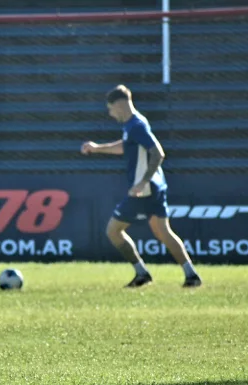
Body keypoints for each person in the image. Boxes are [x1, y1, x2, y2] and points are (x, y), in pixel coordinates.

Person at [81, 85, 202, 288]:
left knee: (113, 230)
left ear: (119, 105)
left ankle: (141, 273)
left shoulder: (136, 125)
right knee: (163, 232)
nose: (110, 114)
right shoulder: (132, 126)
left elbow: (158, 153)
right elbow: (125, 146)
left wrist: (142, 182)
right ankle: (191, 275)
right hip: (155, 187)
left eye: (110, 109)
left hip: (144, 191)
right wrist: (97, 148)